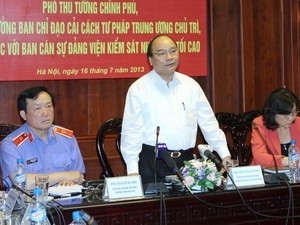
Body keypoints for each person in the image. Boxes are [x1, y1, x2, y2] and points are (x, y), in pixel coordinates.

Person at [120, 35, 232, 184]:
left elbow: (208, 122)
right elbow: (131, 133)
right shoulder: (138, 89)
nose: (169, 57)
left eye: (173, 51)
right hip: (152, 164)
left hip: (188, 163)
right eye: (161, 53)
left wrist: (224, 154)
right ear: (150, 60)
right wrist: (132, 171)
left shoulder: (191, 86)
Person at [0, 86, 85, 190]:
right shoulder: (11, 145)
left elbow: (78, 175)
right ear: (24, 115)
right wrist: (64, 176)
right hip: (30, 204)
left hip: (67, 203)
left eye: (49, 106)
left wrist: (70, 180)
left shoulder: (67, 138)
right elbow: (21, 182)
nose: (45, 113)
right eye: (37, 108)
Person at [251, 87, 300, 168]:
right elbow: (259, 158)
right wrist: (290, 160)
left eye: (294, 112)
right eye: (285, 115)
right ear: (273, 113)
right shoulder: (259, 124)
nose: (291, 118)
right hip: (266, 176)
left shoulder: (298, 122)